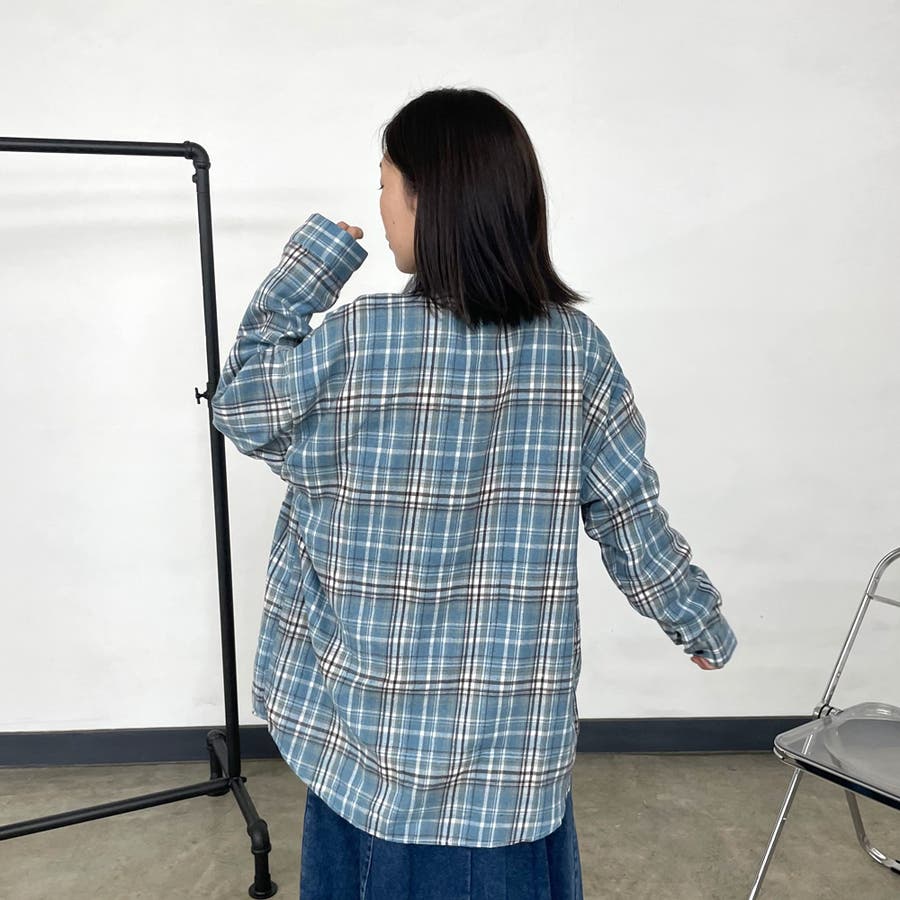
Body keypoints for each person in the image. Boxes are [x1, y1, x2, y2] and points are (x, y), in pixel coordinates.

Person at [211, 85, 737, 900]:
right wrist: (694, 617)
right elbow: (628, 514)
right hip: (509, 756)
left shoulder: (360, 340)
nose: (379, 205)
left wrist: (311, 265)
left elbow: (242, 405)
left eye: (385, 183)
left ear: (429, 199)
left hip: (370, 738)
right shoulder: (577, 351)